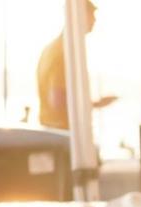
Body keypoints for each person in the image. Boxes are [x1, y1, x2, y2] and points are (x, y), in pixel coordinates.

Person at [36, 0, 117, 131]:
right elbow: (57, 100)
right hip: (63, 135)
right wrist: (97, 104)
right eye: (91, 14)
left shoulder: (52, 48)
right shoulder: (63, 52)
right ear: (78, 15)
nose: (95, 20)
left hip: (53, 131)